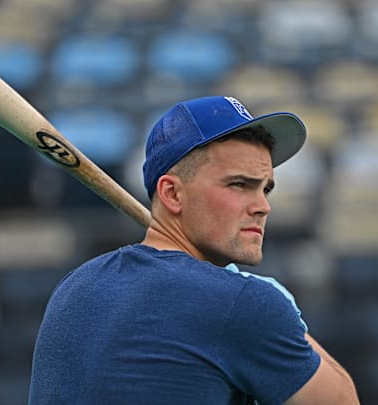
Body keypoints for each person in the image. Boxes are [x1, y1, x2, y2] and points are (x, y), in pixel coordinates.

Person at [28, 96, 359, 405]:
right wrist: (291, 325)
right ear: (172, 194)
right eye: (239, 185)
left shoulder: (74, 286)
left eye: (265, 189)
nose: (262, 207)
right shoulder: (243, 303)